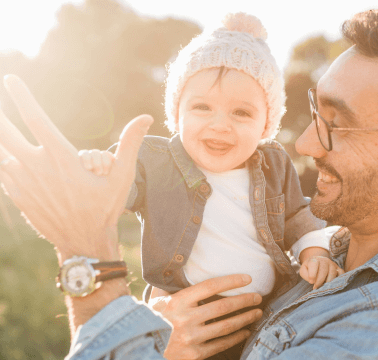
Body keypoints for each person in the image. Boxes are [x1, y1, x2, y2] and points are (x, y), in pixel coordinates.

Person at [0, 6, 378, 360]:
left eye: (337, 122)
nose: (305, 144)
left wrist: (87, 255)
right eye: (314, 112)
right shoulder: (341, 249)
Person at [77, 13, 341, 318]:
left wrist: (316, 254)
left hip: (266, 311)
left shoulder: (273, 164)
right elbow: (116, 191)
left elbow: (297, 216)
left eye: (241, 113)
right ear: (178, 114)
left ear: (265, 125)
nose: (220, 125)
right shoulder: (155, 160)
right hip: (187, 313)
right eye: (202, 107)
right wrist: (99, 170)